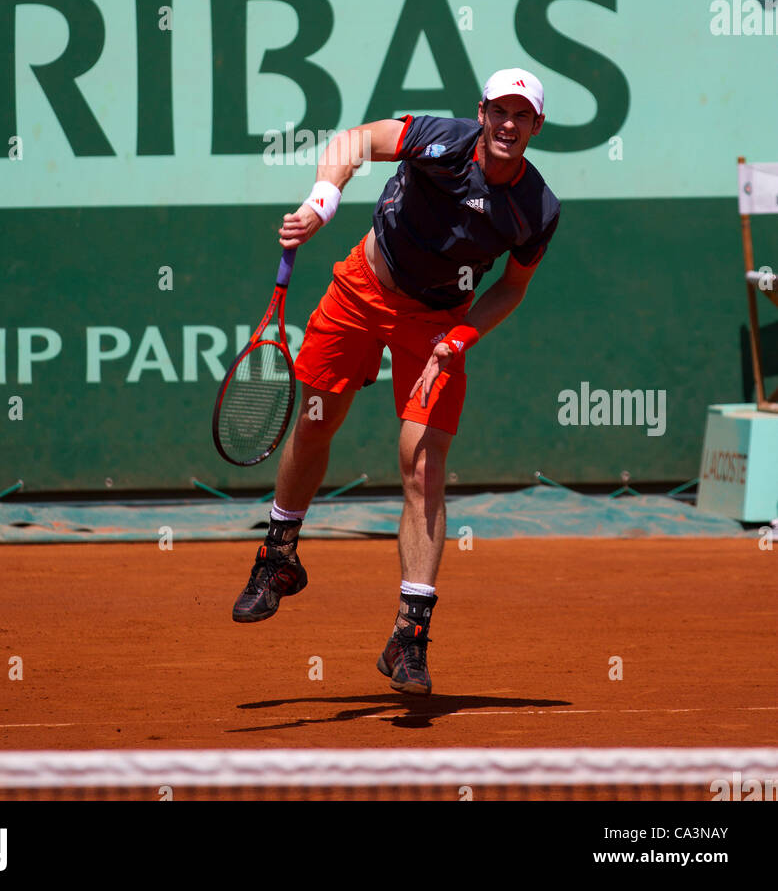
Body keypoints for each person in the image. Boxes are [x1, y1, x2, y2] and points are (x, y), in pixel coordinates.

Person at [231, 68, 561, 696]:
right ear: (483, 112)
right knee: (317, 419)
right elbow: (355, 143)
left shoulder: (537, 209)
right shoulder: (439, 139)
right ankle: (278, 555)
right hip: (363, 285)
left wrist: (463, 335)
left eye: (523, 116)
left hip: (438, 323)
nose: (509, 125)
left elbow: (512, 288)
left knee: (422, 464)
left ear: (537, 126)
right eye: (500, 111)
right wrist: (320, 202)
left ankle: (410, 634)